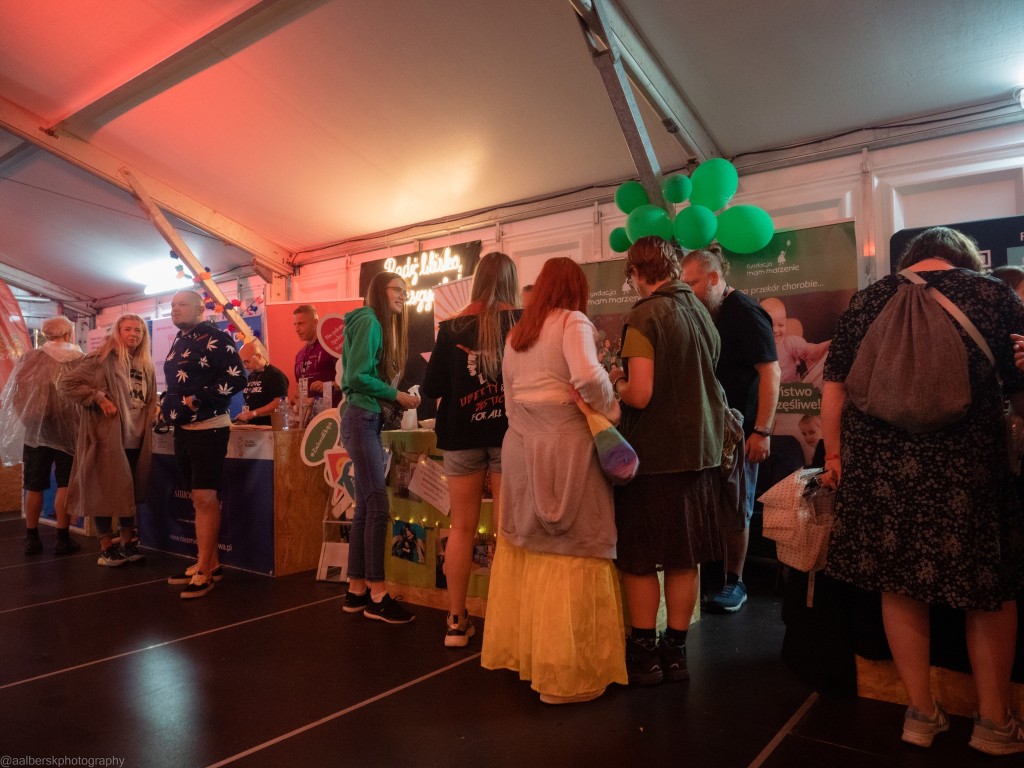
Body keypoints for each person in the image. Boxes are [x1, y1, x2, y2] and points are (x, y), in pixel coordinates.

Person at [821, 226, 1024, 754]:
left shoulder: (867, 301)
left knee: (899, 584)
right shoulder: (993, 296)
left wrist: (835, 457)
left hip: (881, 467)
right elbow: (1018, 385)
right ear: (964, 260)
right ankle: (994, 722)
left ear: (910, 260)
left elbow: (834, 388)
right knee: (989, 591)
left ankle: (920, 713)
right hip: (967, 468)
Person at [481, 256, 627, 704]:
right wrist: (610, 407)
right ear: (576, 290)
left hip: (521, 444)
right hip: (567, 444)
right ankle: (568, 674)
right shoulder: (573, 321)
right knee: (576, 546)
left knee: (526, 544)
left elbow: (508, 398)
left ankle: (529, 658)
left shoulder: (517, 334)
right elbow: (587, 375)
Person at [612, 237, 731, 684]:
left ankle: (645, 654)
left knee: (640, 558)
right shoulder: (700, 310)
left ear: (636, 271)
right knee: (685, 558)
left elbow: (640, 393)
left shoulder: (645, 315)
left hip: (654, 457)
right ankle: (676, 652)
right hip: (701, 451)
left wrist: (617, 381)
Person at [421, 251, 520, 647]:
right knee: (506, 530)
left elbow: (431, 388)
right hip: (509, 434)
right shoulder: (522, 321)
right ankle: (506, 624)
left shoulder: (452, 327)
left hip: (461, 434)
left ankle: (456, 621)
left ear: (477, 281)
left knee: (462, 527)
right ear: (512, 281)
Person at [681, 244, 780, 613]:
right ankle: (711, 578)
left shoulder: (745, 312)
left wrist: (762, 431)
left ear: (714, 278)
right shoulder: (705, 312)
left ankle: (735, 582)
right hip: (708, 428)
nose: (687, 291)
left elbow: (771, 373)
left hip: (741, 429)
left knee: (736, 507)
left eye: (692, 284)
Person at [339, 271, 421, 624]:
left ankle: (356, 589)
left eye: (406, 291)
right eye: (397, 289)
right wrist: (396, 395)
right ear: (379, 291)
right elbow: (356, 376)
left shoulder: (371, 323)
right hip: (362, 418)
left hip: (364, 418)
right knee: (377, 505)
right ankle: (377, 594)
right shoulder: (371, 321)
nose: (403, 295)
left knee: (365, 507)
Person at [161, 291, 247, 598]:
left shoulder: (216, 337)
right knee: (198, 500)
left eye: (182, 304)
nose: (175, 309)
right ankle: (210, 563)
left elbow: (237, 378)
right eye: (172, 305)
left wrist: (198, 399)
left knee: (204, 497)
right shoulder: (180, 339)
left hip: (209, 427)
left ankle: (204, 572)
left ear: (200, 309)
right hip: (183, 428)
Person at [61, 314, 156, 566]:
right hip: (108, 438)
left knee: (129, 492)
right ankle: (105, 547)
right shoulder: (100, 358)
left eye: (138, 330)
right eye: (127, 329)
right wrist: (99, 398)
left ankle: (126, 543)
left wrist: (155, 409)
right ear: (118, 332)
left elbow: (150, 396)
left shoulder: (145, 363)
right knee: (101, 491)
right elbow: (67, 384)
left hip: (137, 437)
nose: (133, 334)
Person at [0, 316, 83, 555]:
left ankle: (32, 537)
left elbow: (16, 393)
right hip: (70, 430)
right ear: (68, 333)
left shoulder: (30, 358)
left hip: (36, 429)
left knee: (34, 485)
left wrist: (29, 420)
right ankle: (62, 537)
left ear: (45, 334)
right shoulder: (80, 358)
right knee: (65, 484)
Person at [759, 297, 830, 387]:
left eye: (781, 325)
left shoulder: (789, 343)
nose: (775, 330)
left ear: (785, 323)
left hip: (791, 392)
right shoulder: (756, 346)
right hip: (766, 392)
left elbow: (813, 350)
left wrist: (831, 344)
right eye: (770, 325)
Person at [293, 304, 340, 406]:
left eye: (301, 324)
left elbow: (349, 380)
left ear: (315, 322)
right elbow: (299, 387)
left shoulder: (330, 348)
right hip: (308, 413)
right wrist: (297, 399)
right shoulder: (300, 354)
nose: (297, 329)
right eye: (295, 324)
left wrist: (328, 385)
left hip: (332, 412)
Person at [236, 340, 289, 426]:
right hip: (252, 427)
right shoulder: (251, 376)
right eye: (243, 363)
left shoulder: (275, 375)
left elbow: (281, 402)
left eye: (247, 361)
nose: (245, 366)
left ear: (258, 356)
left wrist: (253, 413)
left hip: (268, 428)